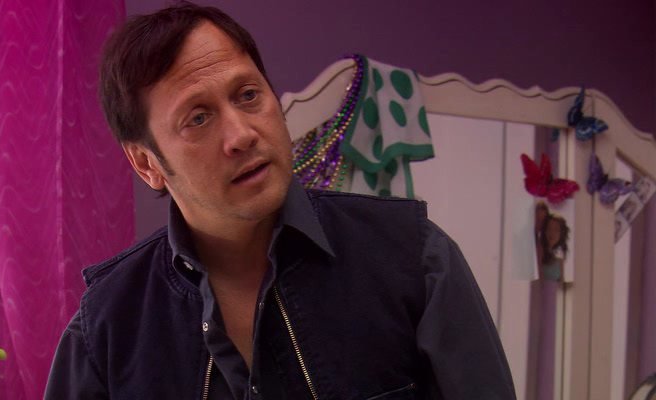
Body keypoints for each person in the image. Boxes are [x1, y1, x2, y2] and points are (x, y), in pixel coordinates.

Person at [45, 3, 516, 399]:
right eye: (198, 118)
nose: (241, 135)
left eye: (248, 95)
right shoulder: (103, 329)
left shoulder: (415, 258)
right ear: (146, 163)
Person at [540, 214, 569, 282]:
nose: (552, 233)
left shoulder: (559, 258)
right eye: (549, 228)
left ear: (561, 234)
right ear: (545, 231)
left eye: (556, 229)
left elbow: (561, 282)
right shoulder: (539, 252)